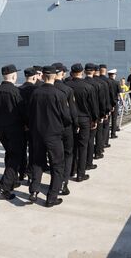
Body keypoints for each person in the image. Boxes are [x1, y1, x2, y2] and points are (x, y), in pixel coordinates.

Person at [28, 66, 72, 207]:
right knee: (57, 165)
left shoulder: (35, 93)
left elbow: (30, 114)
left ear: (43, 76)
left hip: (37, 133)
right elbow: (66, 117)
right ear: (54, 76)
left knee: (37, 162)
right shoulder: (59, 95)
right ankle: (51, 197)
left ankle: (34, 191)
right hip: (53, 134)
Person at [0, 64, 25, 200]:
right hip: (15, 129)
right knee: (16, 156)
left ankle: (13, 180)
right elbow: (22, 112)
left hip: (1, 130)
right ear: (14, 76)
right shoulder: (16, 92)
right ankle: (5, 186)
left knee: (9, 154)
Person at [66, 63, 98, 182]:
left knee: (71, 146)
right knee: (83, 146)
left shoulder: (66, 85)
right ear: (82, 72)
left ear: (72, 72)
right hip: (84, 119)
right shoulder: (88, 87)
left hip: (69, 120)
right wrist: (94, 119)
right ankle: (80, 174)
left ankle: (71, 170)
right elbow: (93, 106)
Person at [52, 63, 79, 195]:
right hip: (66, 127)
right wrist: (76, 125)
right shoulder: (67, 90)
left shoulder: (43, 88)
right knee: (68, 155)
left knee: (55, 157)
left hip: (50, 128)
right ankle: (64, 183)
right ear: (62, 73)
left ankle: (55, 181)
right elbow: (72, 112)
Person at [83, 63, 106, 162]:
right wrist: (100, 116)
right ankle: (93, 157)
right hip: (93, 116)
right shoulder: (98, 84)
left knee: (83, 142)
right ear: (93, 71)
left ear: (84, 71)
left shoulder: (82, 83)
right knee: (93, 138)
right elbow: (101, 102)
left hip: (80, 117)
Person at [18, 67, 38, 181]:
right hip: (33, 125)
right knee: (33, 150)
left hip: (21, 125)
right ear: (35, 77)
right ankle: (31, 174)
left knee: (21, 149)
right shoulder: (37, 90)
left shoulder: (18, 89)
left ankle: (21, 172)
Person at [99, 64, 116, 148]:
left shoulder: (96, 80)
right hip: (106, 108)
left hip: (97, 108)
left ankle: (99, 145)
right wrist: (112, 106)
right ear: (105, 71)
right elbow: (111, 95)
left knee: (98, 129)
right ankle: (104, 143)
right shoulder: (108, 81)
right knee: (105, 126)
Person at [108, 69, 121, 138]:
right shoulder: (117, 83)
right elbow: (120, 93)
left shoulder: (106, 82)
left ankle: (106, 136)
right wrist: (123, 102)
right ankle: (113, 134)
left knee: (107, 120)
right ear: (113, 75)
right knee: (114, 119)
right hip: (115, 103)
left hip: (107, 103)